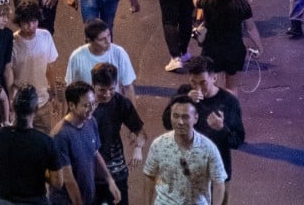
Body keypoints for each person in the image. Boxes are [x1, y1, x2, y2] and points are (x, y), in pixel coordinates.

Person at [0, 85, 63, 203]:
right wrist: (38, 173)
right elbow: (57, 182)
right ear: (36, 109)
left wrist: (2, 172)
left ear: (12, 105)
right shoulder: (45, 142)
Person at [182, 55, 247, 198]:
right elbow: (167, 122)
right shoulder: (184, 94)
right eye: (193, 82)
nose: (198, 88)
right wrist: (186, 102)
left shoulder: (229, 101)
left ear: (214, 78)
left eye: (203, 83)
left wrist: (221, 129)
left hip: (217, 171)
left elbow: (237, 141)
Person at [144, 96, 227, 204]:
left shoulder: (209, 148)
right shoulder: (158, 145)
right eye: (176, 116)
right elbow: (150, 176)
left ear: (196, 118)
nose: (180, 122)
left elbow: (219, 182)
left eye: (185, 117)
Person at [193, 0, 263, 93]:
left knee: (210, 87)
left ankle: (213, 111)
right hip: (234, 50)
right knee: (232, 87)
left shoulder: (207, 1)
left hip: (212, 50)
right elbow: (251, 28)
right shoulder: (241, 3)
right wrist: (259, 47)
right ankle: (231, 112)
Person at [50, 81, 120, 205]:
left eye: (93, 104)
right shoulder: (61, 135)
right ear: (71, 105)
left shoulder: (91, 121)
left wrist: (110, 180)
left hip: (87, 196)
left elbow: (95, 153)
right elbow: (68, 179)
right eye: (86, 105)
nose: (91, 109)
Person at [91, 63, 146, 205]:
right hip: (90, 169)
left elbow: (140, 131)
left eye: (111, 89)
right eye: (102, 90)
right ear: (93, 85)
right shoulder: (85, 104)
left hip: (116, 168)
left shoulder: (121, 103)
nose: (107, 94)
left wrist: (138, 148)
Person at [10, 0, 60, 132]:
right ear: (19, 22)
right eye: (26, 22)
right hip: (19, 106)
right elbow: (8, 74)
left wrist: (54, 94)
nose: (31, 26)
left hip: (42, 102)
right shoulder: (12, 43)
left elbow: (49, 67)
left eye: (34, 21)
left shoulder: (45, 36)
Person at [66, 20, 138, 103]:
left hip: (113, 107)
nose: (108, 42)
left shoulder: (119, 53)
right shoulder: (77, 57)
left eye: (109, 36)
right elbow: (69, 89)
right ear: (89, 40)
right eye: (102, 39)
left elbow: (128, 87)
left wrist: (132, 114)